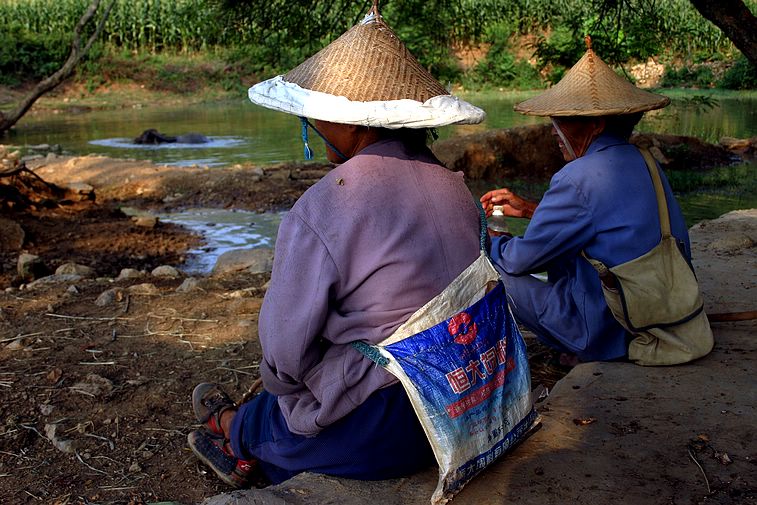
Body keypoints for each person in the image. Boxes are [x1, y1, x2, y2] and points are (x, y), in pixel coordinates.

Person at [187, 3, 486, 488]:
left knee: (277, 412)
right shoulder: (453, 186)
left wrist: (288, 386)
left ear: (354, 124)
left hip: (391, 429)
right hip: (467, 395)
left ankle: (230, 431)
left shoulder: (325, 206)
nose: (312, 123)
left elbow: (283, 353)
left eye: (319, 115)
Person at [480, 37, 691, 363]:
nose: (553, 130)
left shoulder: (577, 177)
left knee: (490, 272)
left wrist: (493, 236)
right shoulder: (645, 161)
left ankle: (581, 344)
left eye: (561, 120)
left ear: (595, 124)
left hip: (612, 329)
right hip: (656, 313)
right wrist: (530, 209)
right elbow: (603, 224)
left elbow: (519, 261)